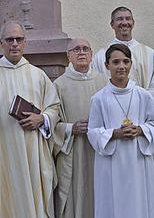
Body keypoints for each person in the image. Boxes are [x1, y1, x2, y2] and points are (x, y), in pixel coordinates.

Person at [0, 20, 60, 218]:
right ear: (1, 43)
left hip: (31, 154)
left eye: (19, 39)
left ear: (25, 42)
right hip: (0, 157)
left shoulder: (38, 76)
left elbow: (54, 107)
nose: (14, 44)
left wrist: (41, 119)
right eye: (9, 39)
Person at [91, 6, 154, 208]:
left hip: (139, 137)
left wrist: (137, 99)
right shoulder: (101, 56)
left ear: (133, 23)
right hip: (112, 133)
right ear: (112, 25)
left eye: (128, 18)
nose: (124, 22)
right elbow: (96, 86)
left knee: (143, 193)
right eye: (119, 19)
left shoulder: (149, 53)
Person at [53, 38, 107, 218]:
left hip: (99, 151)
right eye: (76, 50)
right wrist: (69, 129)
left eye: (85, 49)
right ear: (69, 56)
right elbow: (51, 123)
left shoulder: (104, 83)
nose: (81, 52)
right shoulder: (59, 85)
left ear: (92, 55)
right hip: (72, 149)